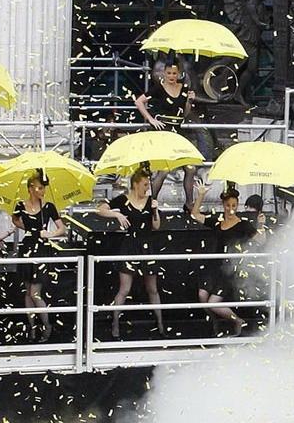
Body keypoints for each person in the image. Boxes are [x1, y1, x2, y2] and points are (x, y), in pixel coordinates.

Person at [97, 165, 165, 338]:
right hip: (130, 245)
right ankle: (115, 323)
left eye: (148, 185)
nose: (147, 188)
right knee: (124, 288)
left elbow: (156, 226)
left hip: (147, 246)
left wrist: (155, 210)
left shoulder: (150, 201)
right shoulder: (123, 200)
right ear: (135, 184)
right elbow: (101, 209)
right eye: (145, 185)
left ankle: (160, 324)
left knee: (152, 288)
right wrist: (117, 215)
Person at [187, 183, 256, 334]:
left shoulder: (244, 225)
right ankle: (214, 322)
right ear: (223, 205)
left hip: (229, 269)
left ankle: (238, 320)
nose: (231, 209)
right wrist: (201, 195)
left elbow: (260, 240)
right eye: (228, 205)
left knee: (213, 302)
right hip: (214, 267)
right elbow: (195, 215)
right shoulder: (218, 221)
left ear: (238, 206)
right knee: (202, 295)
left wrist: (262, 225)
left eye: (234, 206)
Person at [12, 170, 68, 342]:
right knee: (28, 292)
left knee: (35, 293)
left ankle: (47, 325)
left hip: (41, 248)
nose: (42, 191)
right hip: (27, 247)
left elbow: (62, 228)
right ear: (30, 188)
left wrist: (49, 234)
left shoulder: (48, 207)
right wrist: (29, 230)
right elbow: (15, 220)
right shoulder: (20, 205)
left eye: (43, 188)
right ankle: (32, 327)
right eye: (39, 188)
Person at [137, 60, 197, 198]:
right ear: (164, 73)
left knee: (191, 168)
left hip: (178, 132)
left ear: (179, 74)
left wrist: (189, 101)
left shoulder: (184, 88)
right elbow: (139, 101)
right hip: (163, 131)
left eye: (174, 73)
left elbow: (185, 113)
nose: (171, 76)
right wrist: (150, 119)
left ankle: (189, 203)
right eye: (169, 73)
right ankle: (152, 202)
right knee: (163, 170)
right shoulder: (158, 88)